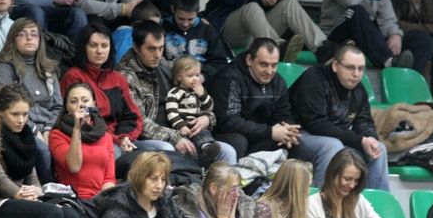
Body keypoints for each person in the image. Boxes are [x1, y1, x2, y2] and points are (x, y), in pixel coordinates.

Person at [209, 37, 343, 170]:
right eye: (263, 64)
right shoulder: (230, 78)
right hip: (230, 134)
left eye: (274, 65)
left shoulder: (278, 82)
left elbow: (284, 114)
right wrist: (269, 132)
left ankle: (292, 182)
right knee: (239, 141)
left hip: (262, 135)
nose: (269, 71)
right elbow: (229, 121)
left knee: (293, 144)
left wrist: (287, 130)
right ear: (249, 60)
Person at [118, 20, 237, 163]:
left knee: (227, 152)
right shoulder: (126, 77)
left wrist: (207, 118)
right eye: (151, 49)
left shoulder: (166, 66)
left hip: (184, 130)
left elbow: (197, 99)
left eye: (161, 48)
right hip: (147, 139)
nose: (157, 55)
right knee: (167, 149)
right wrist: (175, 137)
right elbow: (139, 122)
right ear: (136, 47)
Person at [290, 44, 391, 190]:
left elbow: (364, 122)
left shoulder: (358, 89)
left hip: (336, 138)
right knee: (332, 146)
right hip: (298, 135)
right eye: (350, 67)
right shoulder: (314, 78)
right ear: (335, 66)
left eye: (360, 69)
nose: (356, 74)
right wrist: (359, 140)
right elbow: (316, 124)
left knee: (379, 149)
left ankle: (377, 201)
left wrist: (371, 139)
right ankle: (322, 201)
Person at [0, 84, 78, 218]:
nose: (21, 120)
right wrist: (19, 194)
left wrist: (37, 190)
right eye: (15, 114)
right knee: (52, 214)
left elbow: (32, 175)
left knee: (71, 217)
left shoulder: (26, 136)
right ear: (1, 112)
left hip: (22, 198)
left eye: (25, 114)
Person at [0, 18, 61, 183]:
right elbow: (5, 106)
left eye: (34, 34)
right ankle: (47, 187)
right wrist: (35, 130)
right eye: (23, 34)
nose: (29, 38)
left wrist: (48, 129)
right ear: (13, 38)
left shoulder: (49, 68)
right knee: (41, 149)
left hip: (50, 126)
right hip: (19, 126)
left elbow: (58, 105)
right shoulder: (3, 66)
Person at [60, 22, 143, 156]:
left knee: (162, 148)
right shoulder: (74, 76)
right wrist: (117, 140)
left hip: (121, 138)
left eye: (104, 46)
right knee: (115, 152)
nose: (99, 51)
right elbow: (81, 116)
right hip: (90, 139)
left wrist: (125, 137)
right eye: (93, 45)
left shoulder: (117, 78)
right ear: (84, 47)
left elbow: (131, 115)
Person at [305, 149, 394, 218]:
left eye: (356, 180)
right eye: (347, 179)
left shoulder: (358, 200)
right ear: (332, 175)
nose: (352, 185)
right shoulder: (311, 205)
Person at [49, 82, 115, 200]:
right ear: (67, 107)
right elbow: (74, 167)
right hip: (73, 198)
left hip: (100, 199)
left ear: (94, 104)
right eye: (74, 101)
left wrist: (104, 200)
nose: (80, 105)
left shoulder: (105, 136)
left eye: (85, 100)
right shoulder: (57, 135)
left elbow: (109, 178)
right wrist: (77, 128)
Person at [163, 0, 229, 81]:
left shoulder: (208, 31)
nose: (185, 24)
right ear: (173, 9)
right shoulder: (163, 28)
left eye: (190, 19)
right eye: (181, 18)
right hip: (171, 79)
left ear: (197, 13)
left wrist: (203, 76)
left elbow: (220, 62)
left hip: (200, 80)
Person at [166, 55, 221, 161]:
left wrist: (202, 95)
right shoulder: (174, 93)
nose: (195, 78)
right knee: (195, 135)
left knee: (203, 132)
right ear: (179, 77)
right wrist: (181, 126)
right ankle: (205, 148)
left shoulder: (198, 91)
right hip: (182, 126)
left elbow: (209, 107)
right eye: (190, 76)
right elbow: (171, 112)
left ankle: (207, 147)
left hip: (196, 125)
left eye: (197, 75)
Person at [112, 0, 161, 66]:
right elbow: (119, 64)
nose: (155, 29)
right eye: (151, 25)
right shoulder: (126, 39)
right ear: (137, 24)